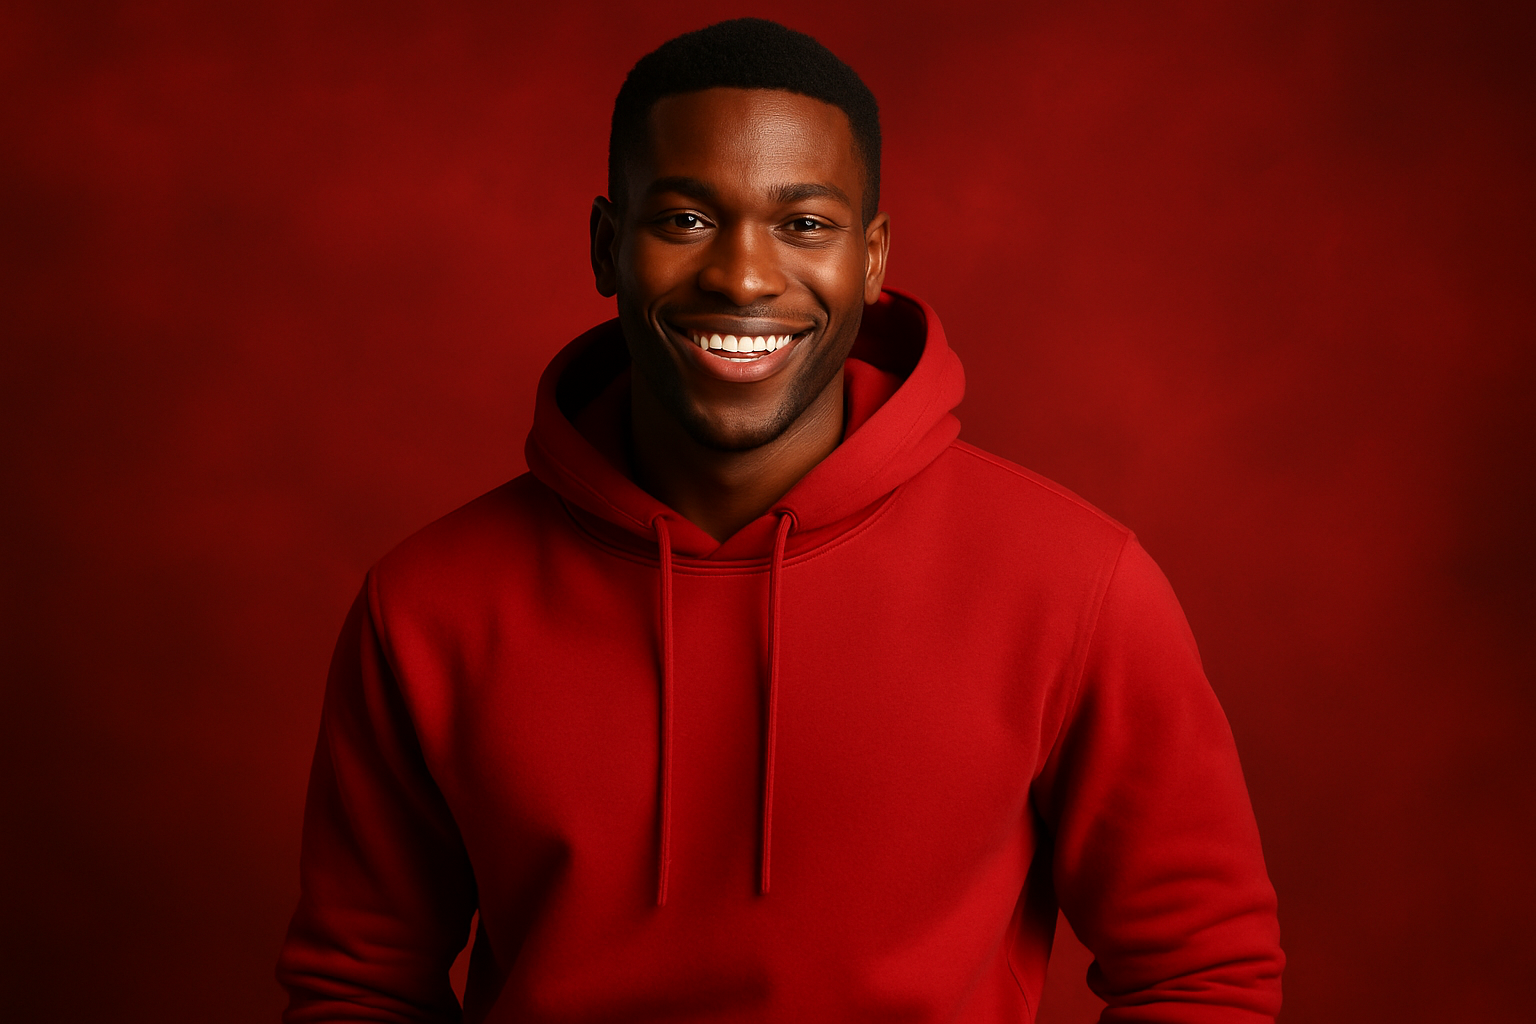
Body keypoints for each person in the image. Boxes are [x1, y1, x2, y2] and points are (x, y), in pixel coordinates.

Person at [276, 18, 1283, 1023]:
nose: (743, 276)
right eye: (684, 220)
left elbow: (1202, 970)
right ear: (604, 246)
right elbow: (357, 988)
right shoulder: (426, 605)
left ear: (875, 257)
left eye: (804, 224)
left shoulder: (1077, 585)